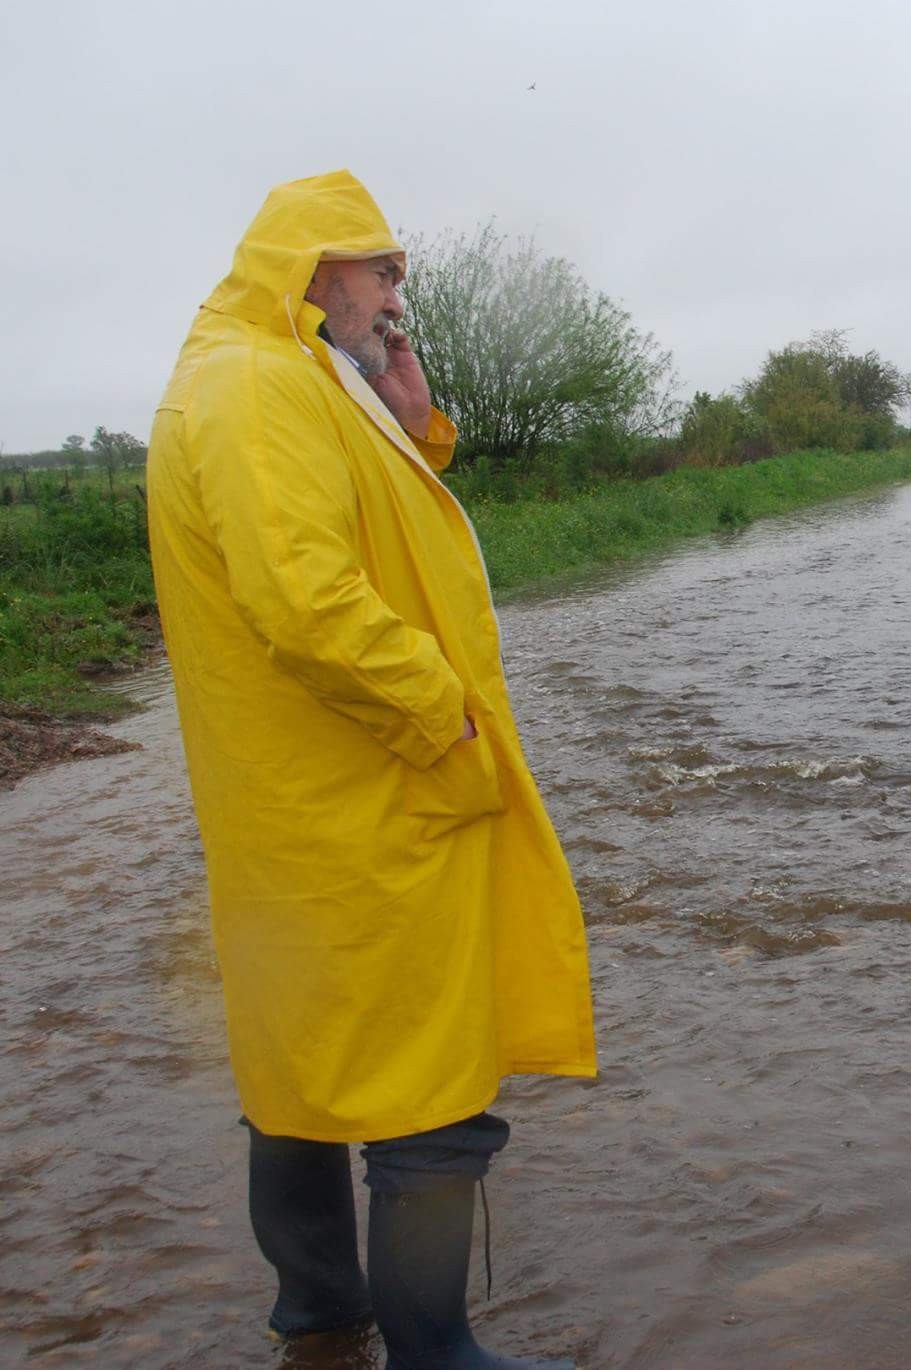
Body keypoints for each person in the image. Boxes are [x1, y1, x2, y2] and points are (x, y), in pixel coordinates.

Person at [146, 169, 595, 1369]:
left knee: (301, 1054)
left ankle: (320, 1318)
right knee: (427, 1077)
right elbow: (304, 597)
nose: (399, 291)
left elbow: (354, 516)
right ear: (315, 268)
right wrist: (440, 717)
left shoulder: (286, 377)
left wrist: (408, 407)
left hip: (309, 792)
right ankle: (432, 1346)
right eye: (382, 268)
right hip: (365, 783)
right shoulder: (251, 386)